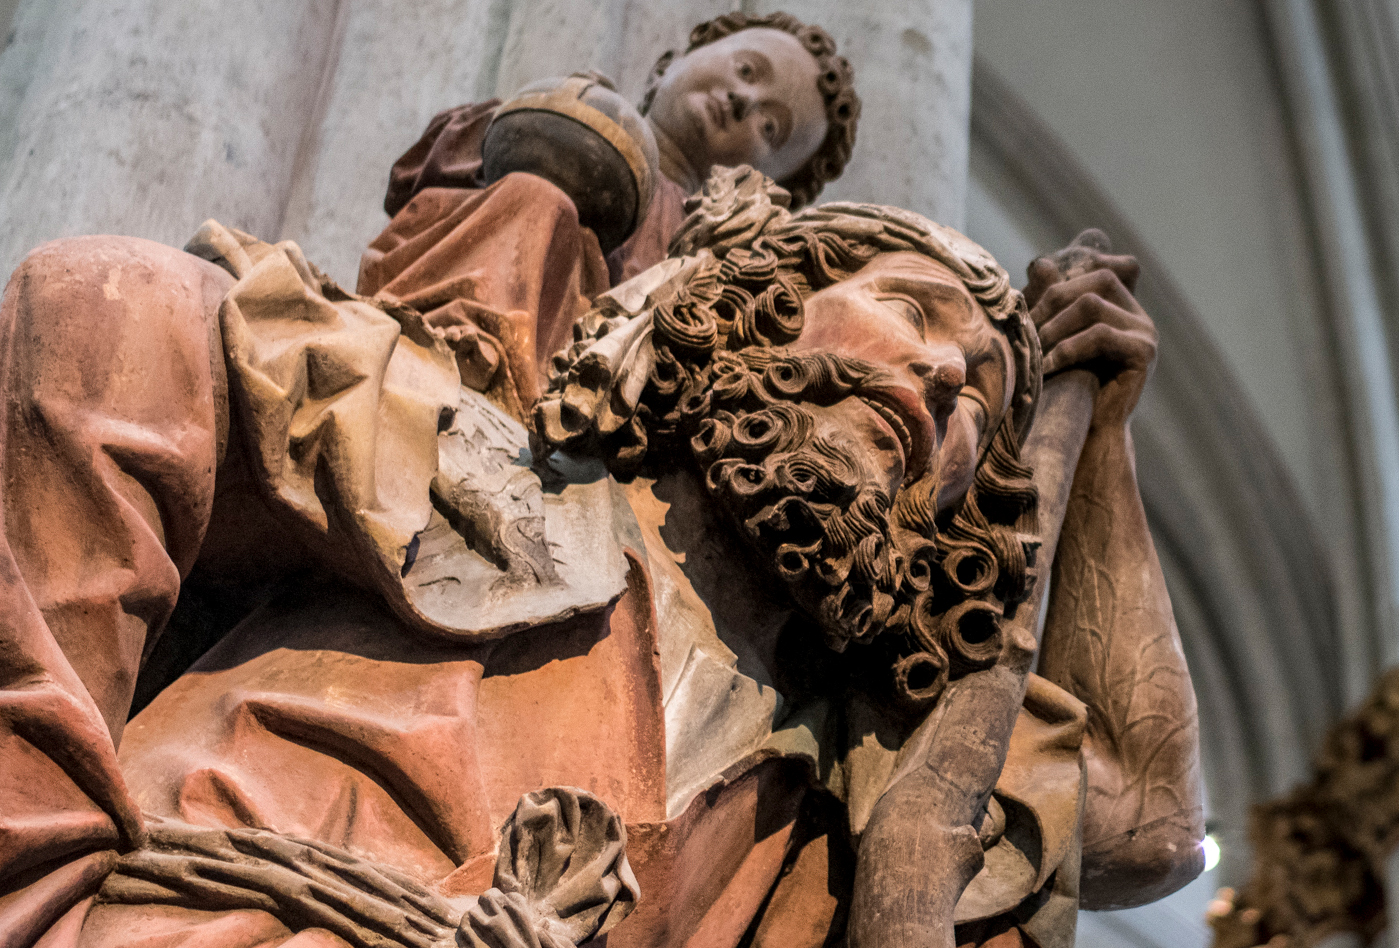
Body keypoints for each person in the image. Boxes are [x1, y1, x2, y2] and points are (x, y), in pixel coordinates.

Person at [0, 164, 1201, 947]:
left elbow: (1146, 820)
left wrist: (1094, 458)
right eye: (911, 312)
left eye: (983, 404)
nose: (943, 380)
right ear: (743, 305)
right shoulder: (468, 463)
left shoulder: (857, 767)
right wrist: (34, 842)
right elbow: (103, 315)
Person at [358, 10, 860, 418]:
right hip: (447, 289)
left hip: (561, 370)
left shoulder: (701, 251)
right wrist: (541, 119)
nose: (743, 100)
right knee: (538, 200)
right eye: (747, 70)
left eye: (770, 127)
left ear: (765, 185)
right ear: (669, 63)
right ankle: (457, 342)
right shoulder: (566, 104)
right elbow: (415, 175)